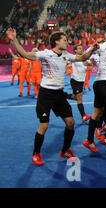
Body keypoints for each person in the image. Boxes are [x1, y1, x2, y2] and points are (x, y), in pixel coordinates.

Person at [6, 28, 98, 166]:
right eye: (65, 40)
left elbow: (82, 57)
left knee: (71, 123)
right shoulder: (46, 54)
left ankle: (65, 150)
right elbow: (25, 54)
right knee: (44, 125)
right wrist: (14, 39)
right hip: (46, 95)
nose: (67, 42)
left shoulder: (66, 55)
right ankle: (36, 153)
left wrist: (92, 48)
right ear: (56, 42)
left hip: (59, 95)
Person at [69, 44, 92, 123]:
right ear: (75, 50)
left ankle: (63, 96)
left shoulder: (85, 58)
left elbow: (91, 66)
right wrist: (67, 70)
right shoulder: (73, 57)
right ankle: (84, 116)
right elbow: (64, 62)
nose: (81, 50)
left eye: (81, 48)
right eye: (79, 48)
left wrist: (89, 65)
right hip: (75, 80)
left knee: (76, 97)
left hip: (81, 81)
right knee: (79, 97)